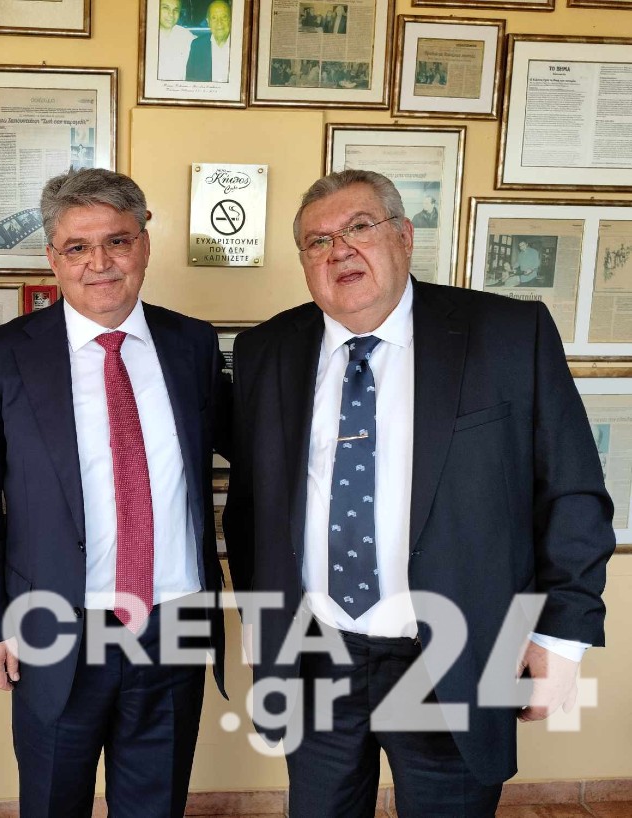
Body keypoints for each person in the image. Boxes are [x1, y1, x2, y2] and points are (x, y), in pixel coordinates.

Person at [224, 168, 613, 817]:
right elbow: (251, 509)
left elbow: (572, 493)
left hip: (453, 654)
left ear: (404, 236)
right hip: (316, 654)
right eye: (317, 241)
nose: (339, 250)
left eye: (359, 227)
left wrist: (561, 636)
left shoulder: (507, 334)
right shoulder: (267, 349)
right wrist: (261, 622)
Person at [0, 167, 228, 818]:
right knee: (53, 801)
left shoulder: (192, 344)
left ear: (144, 245)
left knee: (156, 805)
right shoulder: (4, 354)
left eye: (117, 241)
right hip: (54, 627)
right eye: (77, 247)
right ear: (54, 259)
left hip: (173, 621)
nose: (99, 263)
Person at [186, 0, 231, 83]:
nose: (219, 23)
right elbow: (190, 81)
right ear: (208, 22)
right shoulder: (197, 46)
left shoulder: (241, 46)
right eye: (214, 18)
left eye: (224, 17)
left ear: (231, 20)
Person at [157, 0, 195, 81]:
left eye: (175, 10)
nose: (171, 14)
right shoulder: (146, 35)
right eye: (165, 8)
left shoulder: (186, 36)